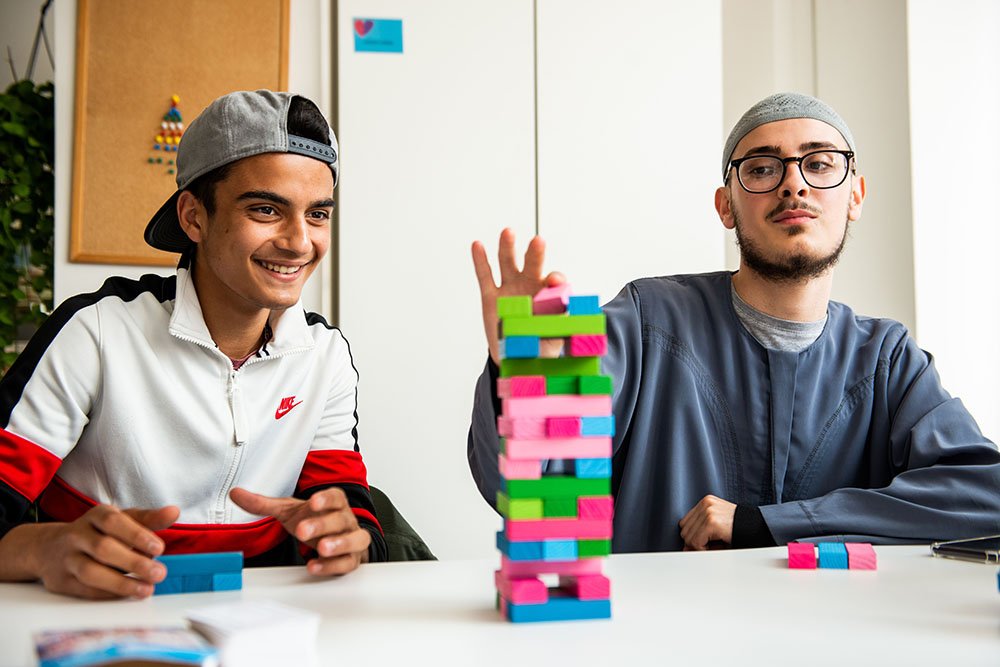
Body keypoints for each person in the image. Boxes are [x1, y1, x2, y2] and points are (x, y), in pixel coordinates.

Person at [468, 92, 1000, 552]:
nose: (793, 184)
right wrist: (521, 375)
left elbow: (985, 494)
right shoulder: (646, 322)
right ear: (727, 206)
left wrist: (765, 524)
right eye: (764, 168)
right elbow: (528, 493)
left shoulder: (888, 359)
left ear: (855, 194)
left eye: (819, 164)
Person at [0, 90, 386, 599]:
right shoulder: (95, 330)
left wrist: (346, 538)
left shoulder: (326, 355)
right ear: (193, 217)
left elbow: (344, 505)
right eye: (267, 209)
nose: (299, 241)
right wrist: (46, 549)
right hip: (105, 608)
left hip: (265, 618)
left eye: (318, 214)